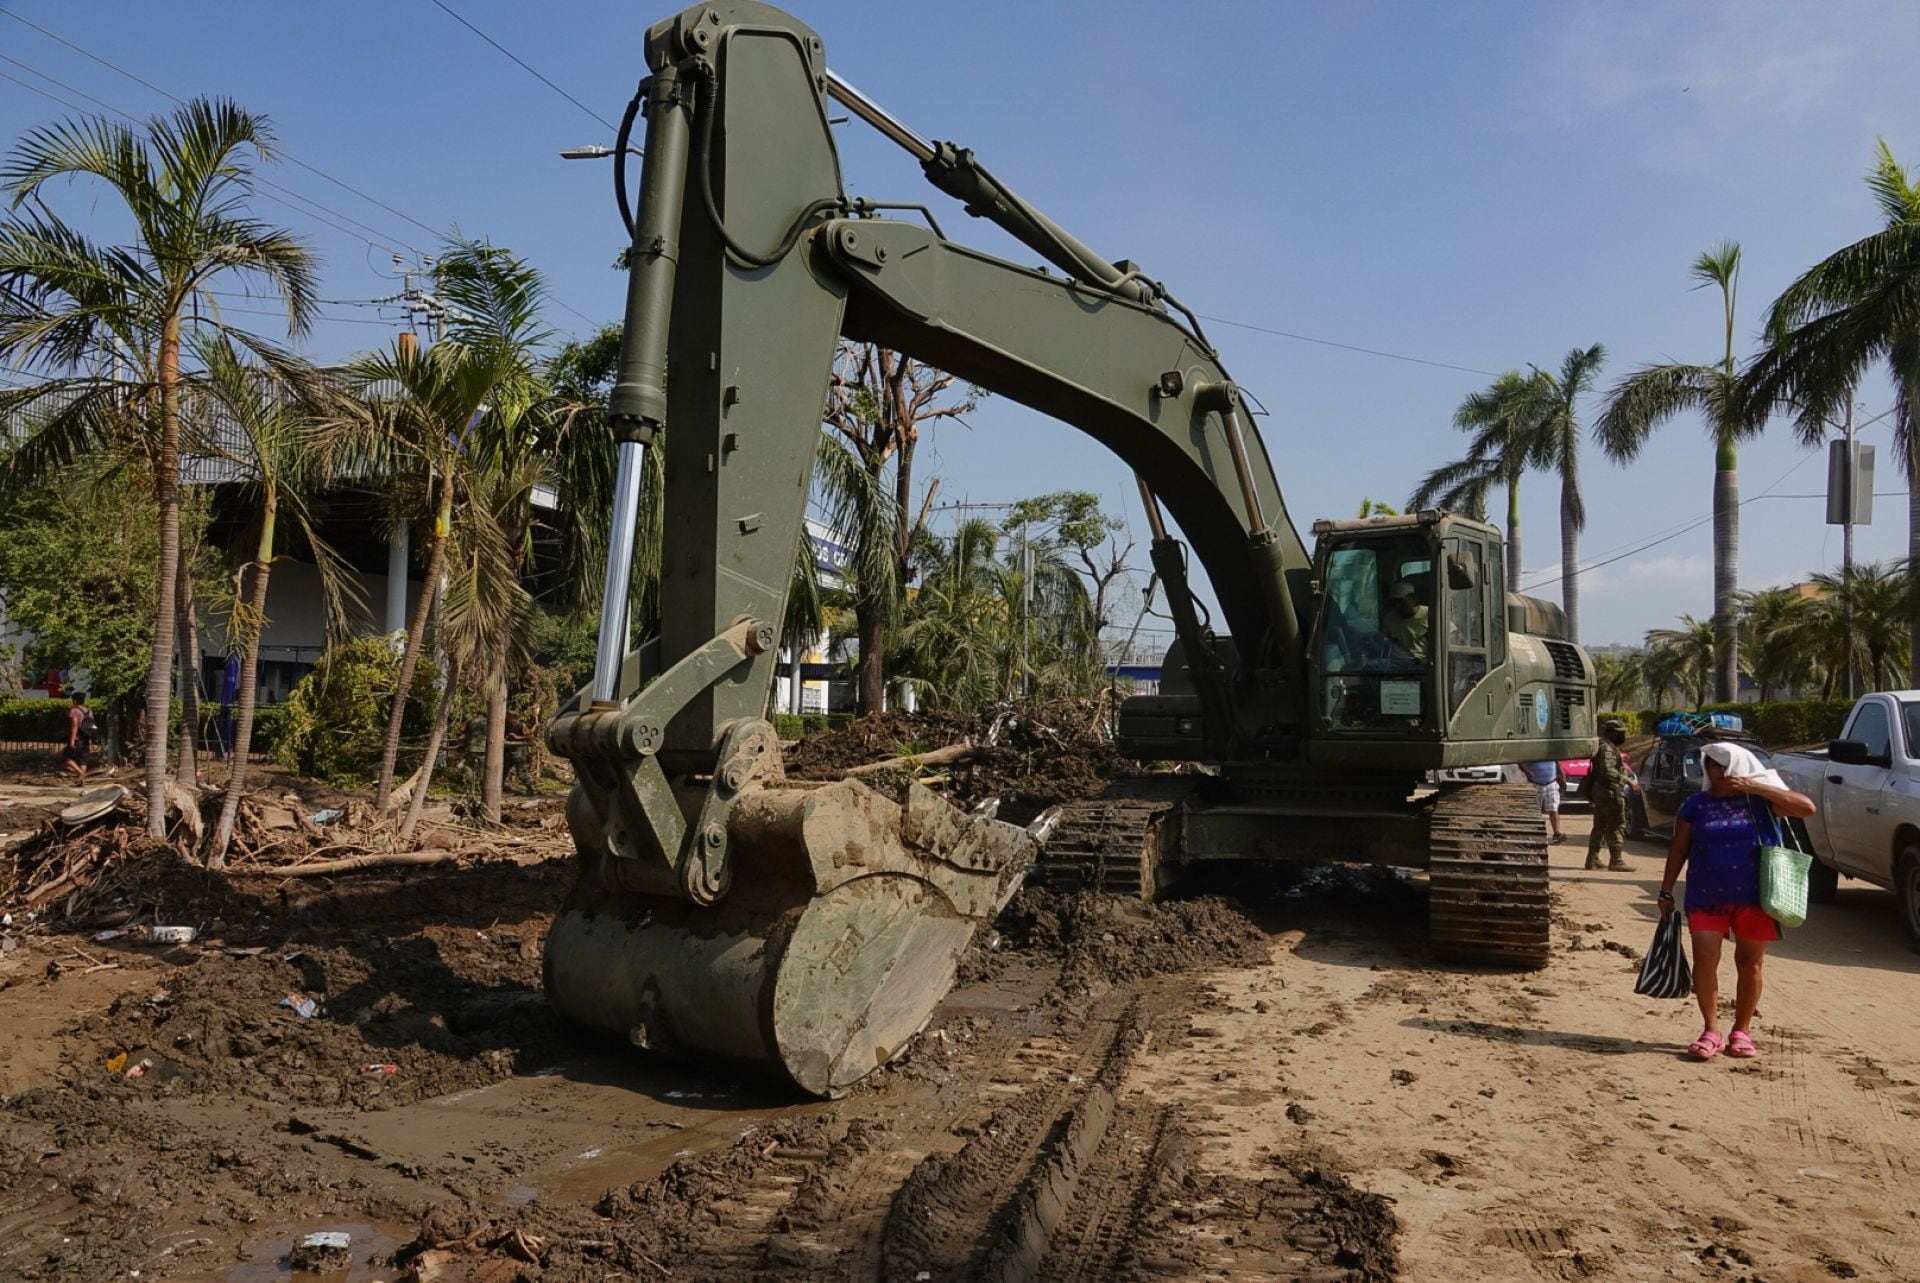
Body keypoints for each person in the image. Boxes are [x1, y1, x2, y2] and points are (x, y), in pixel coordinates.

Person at [1657, 741, 1816, 1061]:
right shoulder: (1695, 805)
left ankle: (1741, 1031)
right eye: (1712, 766)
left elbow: (1806, 808)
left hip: (1756, 897)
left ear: (1740, 768)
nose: (1719, 772)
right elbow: (1679, 848)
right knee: (1704, 959)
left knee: (1750, 962)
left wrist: (1757, 786)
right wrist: (1666, 889)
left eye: (1725, 765)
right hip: (1705, 895)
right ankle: (1711, 1030)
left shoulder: (1762, 802)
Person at [1585, 719, 1632, 872]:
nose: (1622, 736)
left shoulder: (1605, 746)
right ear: (1611, 732)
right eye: (1620, 733)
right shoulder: (1607, 749)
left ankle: (1593, 859)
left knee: (1600, 826)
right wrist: (1627, 780)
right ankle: (1616, 860)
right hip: (1609, 792)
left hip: (1603, 792)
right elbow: (1607, 770)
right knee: (1617, 825)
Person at [1381, 581, 1429, 663]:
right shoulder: (1389, 619)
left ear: (1413, 599)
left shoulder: (1430, 614)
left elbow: (1453, 638)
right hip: (1398, 663)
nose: (1397, 606)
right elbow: (1387, 645)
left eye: (1401, 601)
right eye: (1393, 602)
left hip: (1424, 664)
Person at [1523, 759, 1565, 843]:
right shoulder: (1531, 750)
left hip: (1551, 783)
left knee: (1553, 809)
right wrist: (1527, 771)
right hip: (1534, 784)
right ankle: (1534, 833)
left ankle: (1556, 833)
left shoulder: (1551, 750)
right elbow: (1520, 762)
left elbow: (1557, 761)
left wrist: (1562, 774)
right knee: (1534, 811)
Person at [64, 691, 95, 784]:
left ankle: (80, 773)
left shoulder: (74, 711)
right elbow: (91, 726)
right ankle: (82, 781)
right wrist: (90, 738)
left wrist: (72, 740)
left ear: (75, 701)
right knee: (83, 760)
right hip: (86, 737)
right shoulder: (89, 711)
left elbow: (74, 725)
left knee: (65, 758)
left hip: (78, 738)